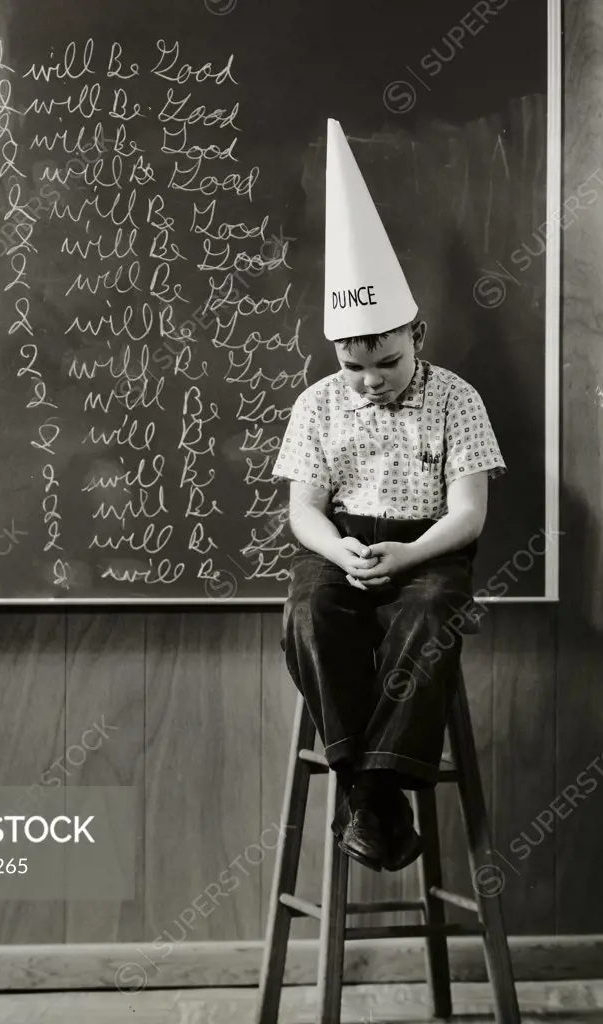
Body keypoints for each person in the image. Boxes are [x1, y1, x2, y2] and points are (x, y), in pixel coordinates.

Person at [271, 120, 506, 873]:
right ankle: (376, 795)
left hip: (429, 544)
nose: (369, 380)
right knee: (310, 612)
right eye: (353, 364)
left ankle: (366, 793)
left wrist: (407, 552)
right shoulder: (317, 403)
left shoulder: (458, 400)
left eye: (387, 362)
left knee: (430, 615)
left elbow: (469, 513)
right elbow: (302, 510)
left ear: (420, 336)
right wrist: (338, 548)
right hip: (342, 542)